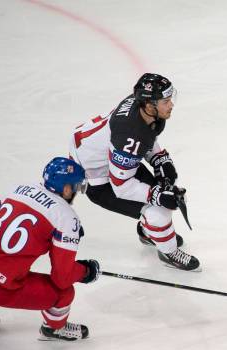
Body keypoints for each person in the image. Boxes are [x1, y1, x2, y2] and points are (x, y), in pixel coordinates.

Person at [0, 157, 101, 341]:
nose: (76, 191)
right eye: (76, 187)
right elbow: (62, 278)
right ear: (66, 188)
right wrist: (86, 271)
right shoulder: (65, 216)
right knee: (64, 292)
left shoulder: (19, 189)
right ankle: (54, 329)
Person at [69, 73, 200, 272]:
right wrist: (156, 196)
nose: (171, 104)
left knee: (161, 192)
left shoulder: (142, 109)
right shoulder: (130, 135)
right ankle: (168, 252)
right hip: (100, 182)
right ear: (149, 105)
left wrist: (158, 158)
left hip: (103, 156)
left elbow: (144, 135)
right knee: (159, 212)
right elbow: (121, 186)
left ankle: (149, 232)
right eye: (166, 101)